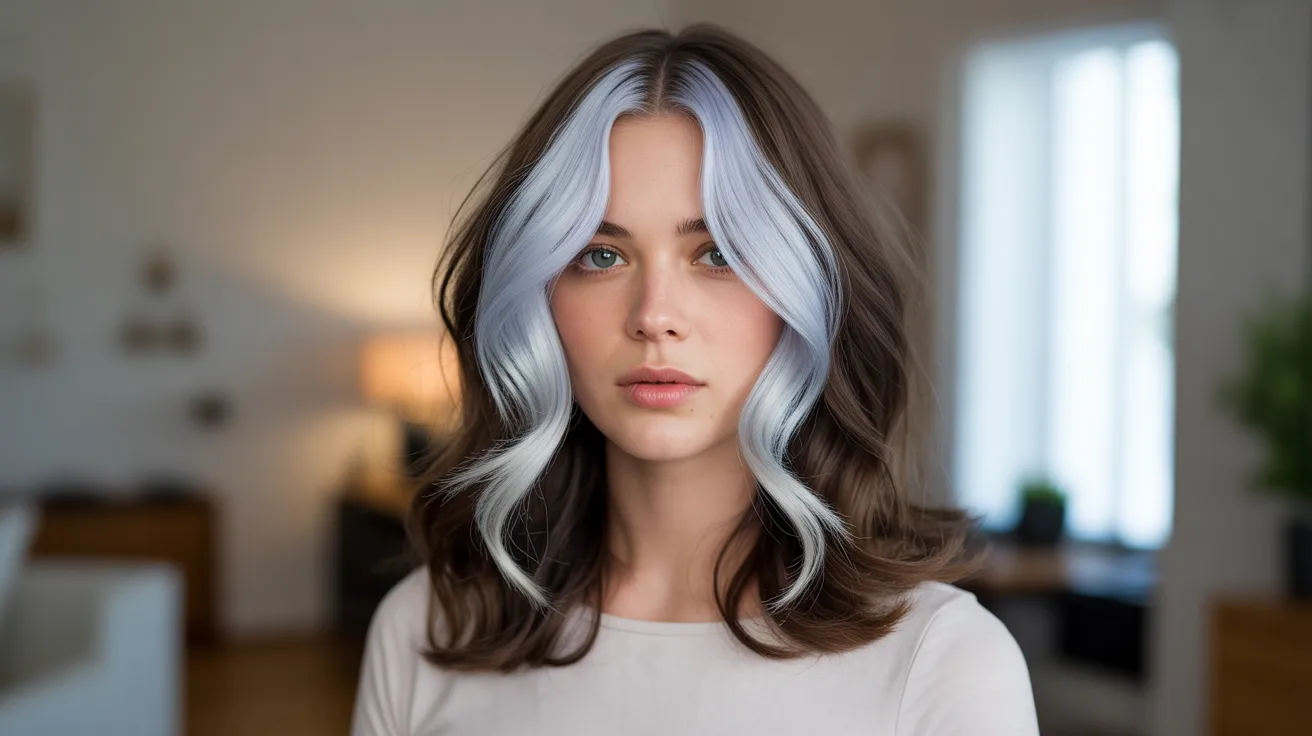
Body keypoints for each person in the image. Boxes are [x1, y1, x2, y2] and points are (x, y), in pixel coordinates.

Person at [351, 23, 1038, 736]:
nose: (654, 317)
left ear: (806, 291)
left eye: (716, 253)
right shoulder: (428, 629)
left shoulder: (943, 662)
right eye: (600, 255)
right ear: (537, 296)